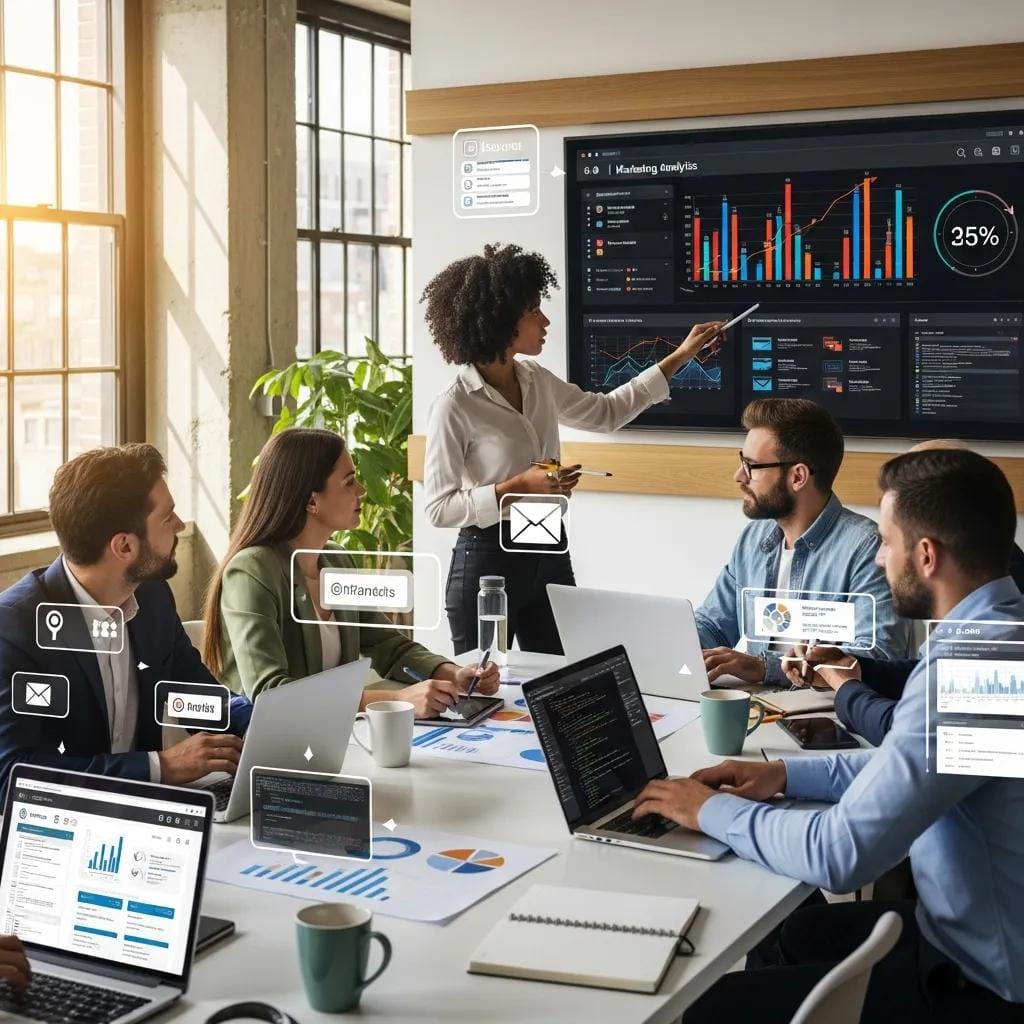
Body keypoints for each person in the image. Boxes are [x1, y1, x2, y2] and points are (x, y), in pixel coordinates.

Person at [632, 449, 1024, 1021]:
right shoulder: (996, 636)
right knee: (795, 934)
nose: (880, 556)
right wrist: (784, 774)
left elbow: (841, 855)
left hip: (979, 981)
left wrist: (709, 810)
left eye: (886, 544)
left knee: (701, 1007)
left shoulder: (973, 671)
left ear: (926, 556)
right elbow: (909, 765)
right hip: (964, 933)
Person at [422, 242, 726, 655]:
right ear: (501, 319)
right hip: (488, 563)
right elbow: (439, 508)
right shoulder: (454, 404)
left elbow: (605, 413)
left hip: (548, 545)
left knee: (561, 681)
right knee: (484, 692)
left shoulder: (536, 379)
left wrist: (681, 356)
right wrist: (520, 485)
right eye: (534, 311)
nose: (545, 320)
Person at [0, 445, 249, 797]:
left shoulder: (152, 598)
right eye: (168, 517)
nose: (179, 525)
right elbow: (13, 776)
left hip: (146, 822)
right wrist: (161, 766)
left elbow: (195, 695)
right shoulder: (16, 627)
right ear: (125, 547)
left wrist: (262, 722)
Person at [203, 428, 499, 717]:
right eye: (349, 482)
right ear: (311, 501)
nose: (362, 491)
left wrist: (454, 674)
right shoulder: (251, 570)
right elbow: (270, 693)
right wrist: (395, 700)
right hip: (267, 748)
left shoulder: (337, 560)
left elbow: (388, 646)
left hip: (333, 738)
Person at [784, 438, 1024, 745]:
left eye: (887, 541)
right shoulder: (984, 594)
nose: (879, 559)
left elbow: (909, 737)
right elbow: (924, 676)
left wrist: (845, 687)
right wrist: (855, 668)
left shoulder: (999, 636)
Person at [696, 397, 912, 685]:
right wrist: (674, 646)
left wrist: (764, 667)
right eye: (741, 462)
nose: (739, 476)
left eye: (751, 466)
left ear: (797, 476)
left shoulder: (866, 548)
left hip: (829, 717)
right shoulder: (753, 538)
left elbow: (879, 655)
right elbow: (713, 624)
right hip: (761, 706)